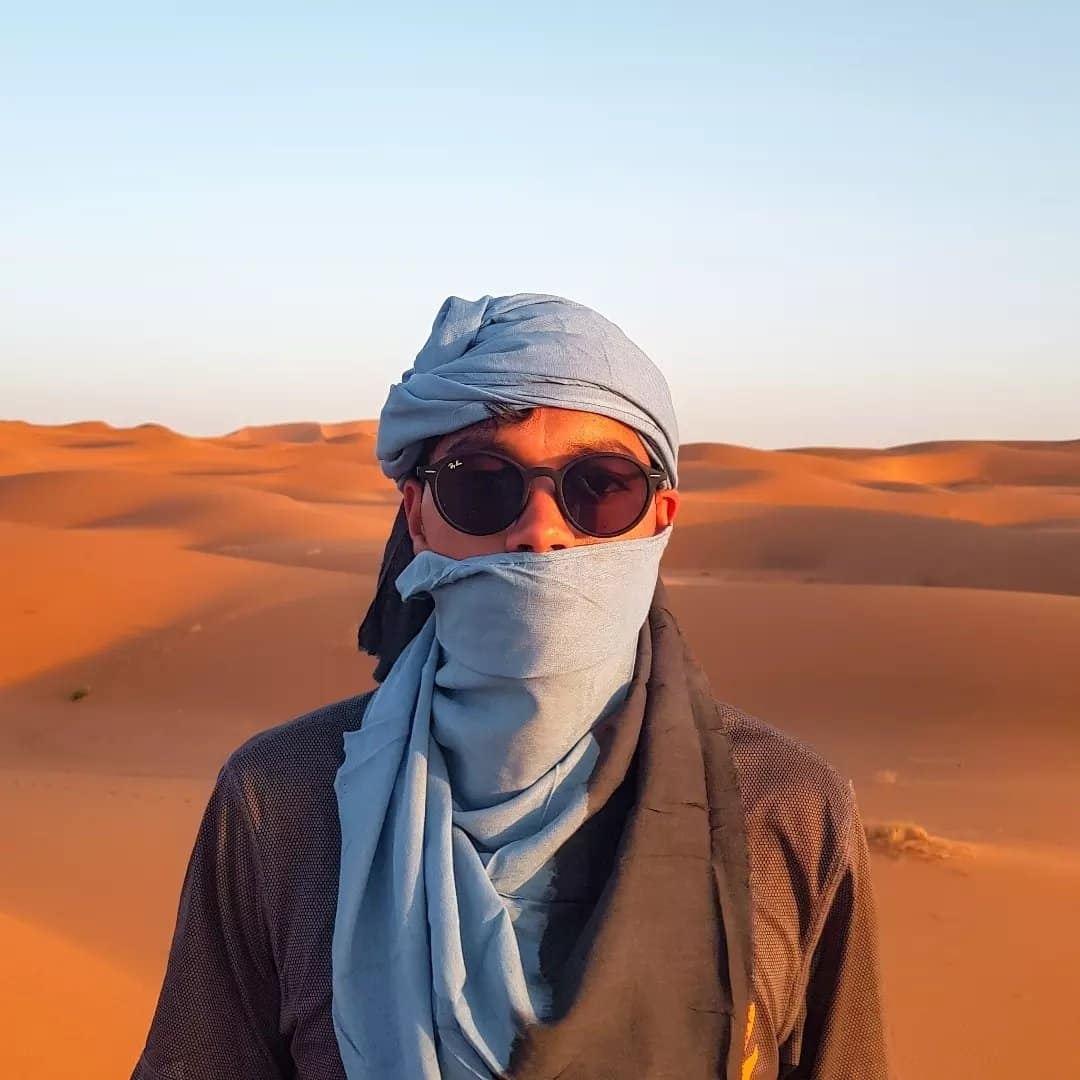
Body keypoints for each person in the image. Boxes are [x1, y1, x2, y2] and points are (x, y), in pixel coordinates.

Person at [132, 294, 889, 1080]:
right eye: (482, 482)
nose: (540, 528)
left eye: (600, 486)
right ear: (417, 515)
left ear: (659, 519)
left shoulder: (788, 809)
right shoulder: (280, 801)